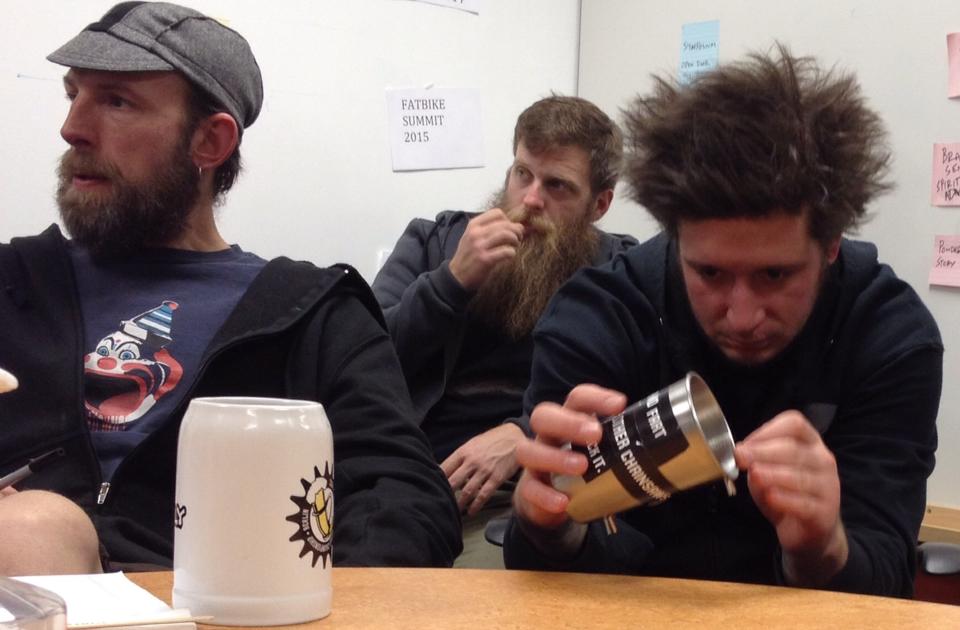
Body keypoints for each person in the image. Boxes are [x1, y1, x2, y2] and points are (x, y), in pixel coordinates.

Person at [0, 1, 460, 576]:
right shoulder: (14, 282)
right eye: (74, 95)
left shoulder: (312, 313)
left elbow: (404, 499)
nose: (72, 129)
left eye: (117, 101)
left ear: (210, 143)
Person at [504, 45, 942, 597]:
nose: (741, 315)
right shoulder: (597, 318)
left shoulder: (890, 336)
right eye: (709, 272)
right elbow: (545, 574)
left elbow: (884, 575)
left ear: (830, 246)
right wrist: (545, 522)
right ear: (675, 237)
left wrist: (822, 549)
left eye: (775, 276)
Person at [372, 96, 636, 563]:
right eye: (522, 174)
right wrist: (450, 283)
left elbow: (630, 398)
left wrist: (525, 434)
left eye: (557, 185)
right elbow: (366, 360)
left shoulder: (620, 272)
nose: (531, 200)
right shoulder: (434, 242)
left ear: (600, 204)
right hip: (405, 476)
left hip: (526, 497)